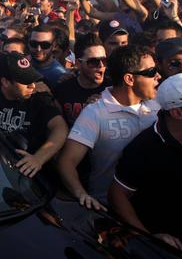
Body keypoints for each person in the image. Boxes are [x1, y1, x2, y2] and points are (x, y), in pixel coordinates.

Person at [57, 45, 160, 209]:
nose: (158, 76)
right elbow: (66, 161)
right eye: (151, 72)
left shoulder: (160, 103)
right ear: (129, 79)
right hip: (109, 210)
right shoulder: (95, 112)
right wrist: (81, 194)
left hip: (152, 206)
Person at [108, 74, 182, 254]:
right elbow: (116, 194)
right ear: (177, 112)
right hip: (170, 249)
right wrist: (147, 237)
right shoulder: (145, 148)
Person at [0, 52, 68, 177]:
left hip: (28, 173)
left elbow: (60, 127)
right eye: (25, 81)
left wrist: (38, 158)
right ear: (6, 82)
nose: (32, 85)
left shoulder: (39, 97)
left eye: (32, 79)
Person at [53, 34, 108, 126]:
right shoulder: (62, 90)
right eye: (93, 62)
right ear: (78, 63)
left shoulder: (113, 89)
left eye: (104, 60)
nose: (101, 65)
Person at [27, 25, 67, 89]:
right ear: (28, 44)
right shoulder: (22, 65)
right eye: (34, 43)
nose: (38, 49)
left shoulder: (59, 75)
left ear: (54, 46)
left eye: (45, 45)